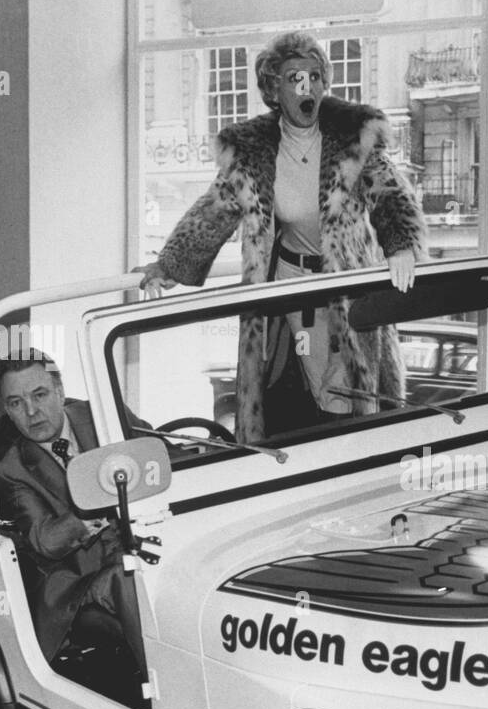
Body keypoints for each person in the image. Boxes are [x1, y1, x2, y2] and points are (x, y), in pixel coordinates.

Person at [136, 30, 426, 442]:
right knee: (287, 392)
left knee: (348, 396)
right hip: (287, 285)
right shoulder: (254, 150)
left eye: (314, 76)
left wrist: (401, 248)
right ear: (274, 89)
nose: (306, 88)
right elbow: (216, 207)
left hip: (345, 285)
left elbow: (391, 194)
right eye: (294, 78)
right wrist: (170, 264)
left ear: (325, 83)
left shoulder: (352, 137)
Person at [0, 350, 140, 676]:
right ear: (7, 411)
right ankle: (168, 697)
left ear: (60, 391)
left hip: (143, 546)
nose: (31, 411)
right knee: (129, 580)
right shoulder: (11, 470)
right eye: (16, 403)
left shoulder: (104, 416)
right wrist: (99, 501)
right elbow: (46, 540)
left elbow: (156, 455)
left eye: (40, 395)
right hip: (80, 580)